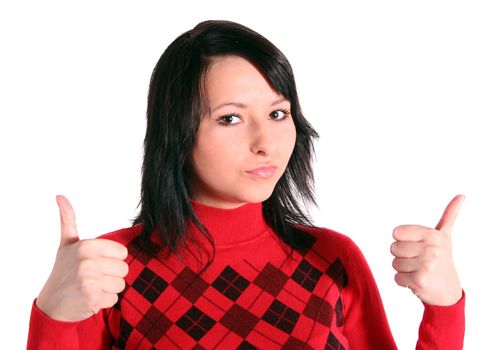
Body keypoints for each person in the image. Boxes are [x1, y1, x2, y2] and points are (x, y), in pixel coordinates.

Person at [27, 20, 465, 349]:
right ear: (176, 135)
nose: (266, 143)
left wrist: (445, 306)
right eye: (230, 118)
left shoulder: (332, 258)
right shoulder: (108, 272)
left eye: (278, 113)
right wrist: (54, 315)